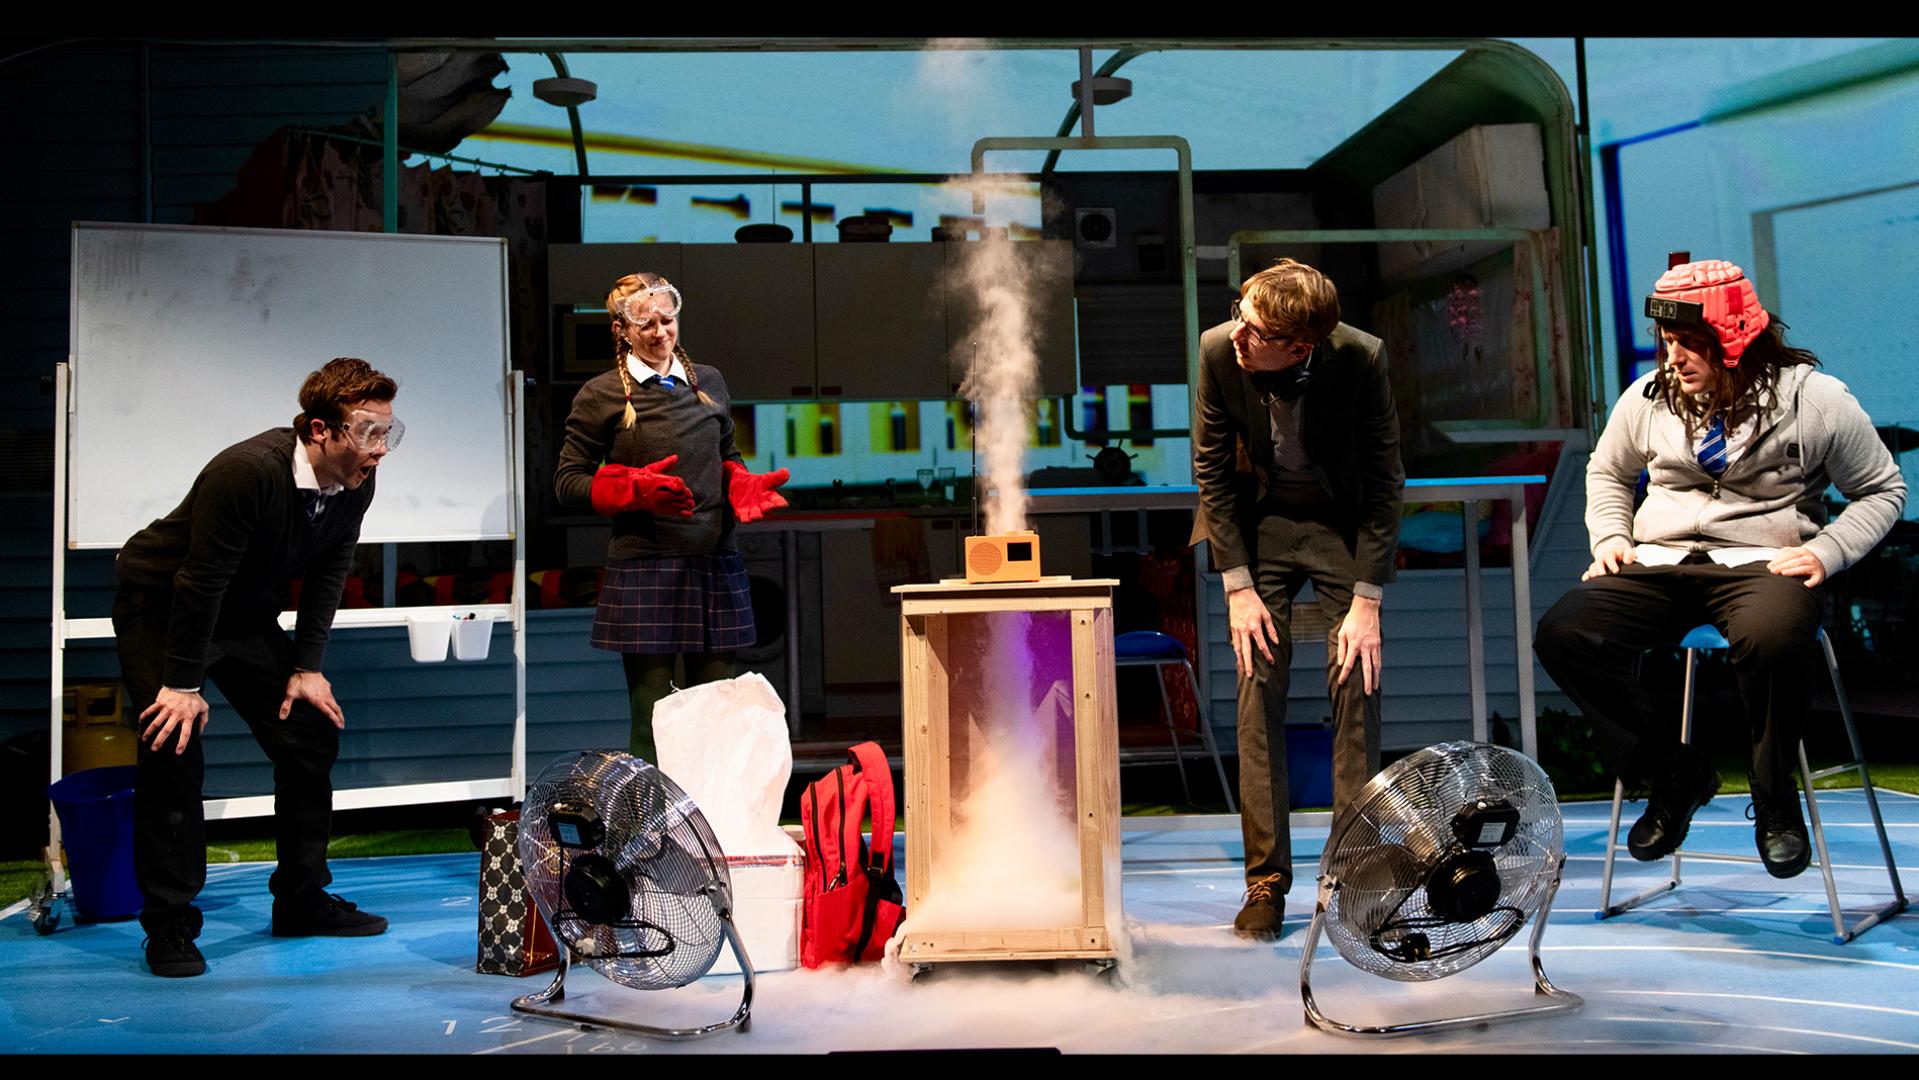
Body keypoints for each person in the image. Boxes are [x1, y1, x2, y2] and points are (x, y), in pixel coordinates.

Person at [1535, 258, 1906, 878]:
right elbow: (1608, 470)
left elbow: (1882, 490)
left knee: (1771, 635)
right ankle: (1673, 774)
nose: (1673, 357)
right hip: (1660, 562)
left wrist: (1826, 551)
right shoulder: (1649, 398)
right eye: (1668, 342)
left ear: (1732, 337)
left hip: (1764, 563)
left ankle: (1774, 800)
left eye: (1689, 343)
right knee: (1566, 632)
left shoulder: (1813, 399)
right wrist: (1610, 535)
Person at [115, 357, 401, 977]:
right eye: (368, 432)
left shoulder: (356, 480)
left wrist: (307, 666)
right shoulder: (245, 472)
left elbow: (330, 568)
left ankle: (300, 899)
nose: (381, 448)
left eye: (388, 431)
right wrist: (184, 684)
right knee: (172, 743)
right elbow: (199, 580)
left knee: (308, 730)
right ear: (320, 431)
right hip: (164, 605)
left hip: (242, 611)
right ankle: (168, 926)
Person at [1190, 258, 1405, 938]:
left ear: (1298, 344)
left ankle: (1353, 871)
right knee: (1256, 682)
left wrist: (1366, 600)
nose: (1237, 334)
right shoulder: (1217, 349)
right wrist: (1237, 587)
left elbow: (1382, 479)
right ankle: (1265, 880)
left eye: (1254, 330)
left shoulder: (1359, 359)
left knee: (1356, 677)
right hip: (1260, 525)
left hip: (1338, 523)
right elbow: (1211, 472)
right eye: (1239, 317)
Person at [554, 272, 789, 762]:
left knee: (715, 714)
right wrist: (630, 490)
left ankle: (711, 828)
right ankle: (652, 829)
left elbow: (728, 453)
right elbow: (567, 482)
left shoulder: (710, 381)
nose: (660, 332)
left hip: (712, 562)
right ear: (621, 329)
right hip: (647, 567)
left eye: (668, 319)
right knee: (654, 716)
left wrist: (739, 481)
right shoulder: (601, 395)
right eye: (646, 324)